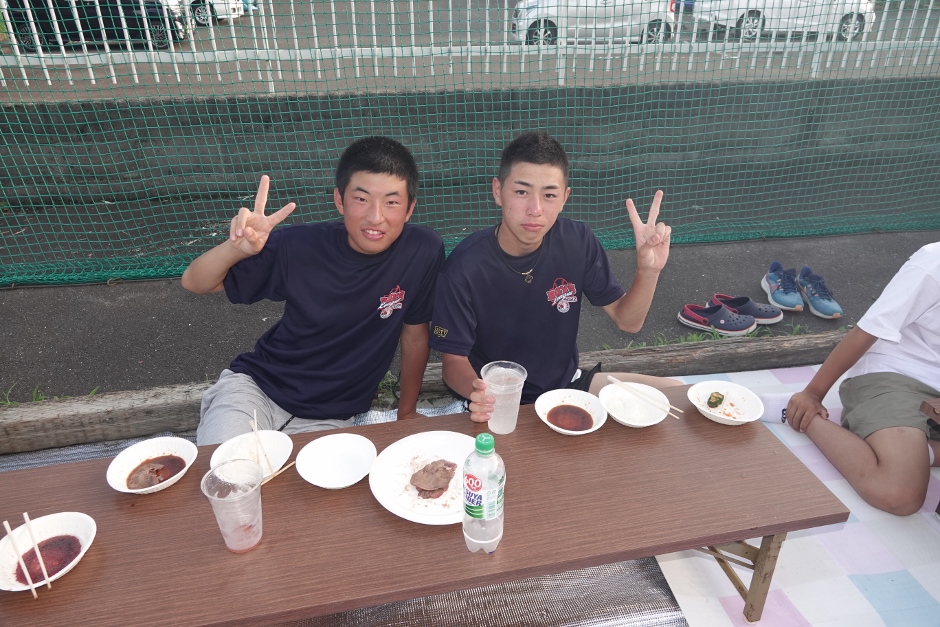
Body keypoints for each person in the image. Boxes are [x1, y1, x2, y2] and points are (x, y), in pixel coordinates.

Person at [182, 137, 444, 445]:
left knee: (311, 478)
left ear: (410, 208)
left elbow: (415, 334)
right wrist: (235, 249)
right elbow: (195, 282)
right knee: (229, 468)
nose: (376, 216)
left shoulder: (422, 251)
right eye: (361, 199)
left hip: (331, 416)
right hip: (257, 390)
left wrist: (407, 412)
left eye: (392, 202)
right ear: (339, 200)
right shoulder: (299, 246)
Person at [429, 131, 680, 423]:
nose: (535, 210)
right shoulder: (464, 268)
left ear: (564, 198)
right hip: (503, 401)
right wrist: (480, 394)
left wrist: (648, 271)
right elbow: (453, 360)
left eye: (549, 195)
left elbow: (628, 321)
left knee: (675, 392)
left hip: (567, 387)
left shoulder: (577, 240)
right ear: (498, 191)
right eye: (521, 192)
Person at [783, 241, 940, 515]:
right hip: (898, 376)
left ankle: (916, 451)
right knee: (899, 493)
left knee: (906, 469)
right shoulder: (934, 263)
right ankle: (797, 413)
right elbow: (869, 329)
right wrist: (813, 393)